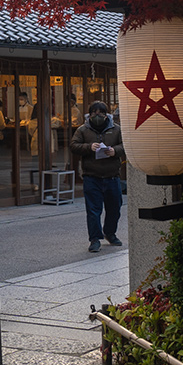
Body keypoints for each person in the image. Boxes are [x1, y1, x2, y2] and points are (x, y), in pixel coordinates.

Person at [70, 101, 125, 252]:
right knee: (93, 210)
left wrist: (115, 150)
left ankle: (110, 233)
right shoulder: (83, 130)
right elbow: (73, 145)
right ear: (89, 114)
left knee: (114, 208)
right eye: (94, 112)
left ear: (107, 114)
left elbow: (125, 145)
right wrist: (89, 147)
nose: (97, 115)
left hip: (112, 176)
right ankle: (94, 239)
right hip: (91, 176)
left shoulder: (116, 129)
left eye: (101, 112)